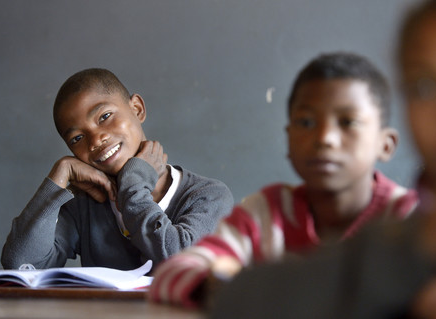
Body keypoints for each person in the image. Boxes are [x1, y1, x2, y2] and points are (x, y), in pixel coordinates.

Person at [209, 1, 436, 318]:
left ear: (386, 144)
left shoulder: (399, 211)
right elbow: (235, 300)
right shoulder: (404, 238)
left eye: (347, 123)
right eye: (425, 87)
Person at [148, 52, 418, 308]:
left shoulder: (409, 218)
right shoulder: (267, 213)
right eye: (307, 123)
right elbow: (170, 277)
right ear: (288, 139)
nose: (325, 138)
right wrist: (219, 285)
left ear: (385, 144)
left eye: (347, 122)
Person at [0, 68, 234, 270]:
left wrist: (134, 183)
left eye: (105, 116)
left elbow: (181, 265)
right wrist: (58, 175)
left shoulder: (208, 195)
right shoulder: (84, 207)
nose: (96, 140)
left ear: (137, 109)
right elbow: (21, 265)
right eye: (77, 138)